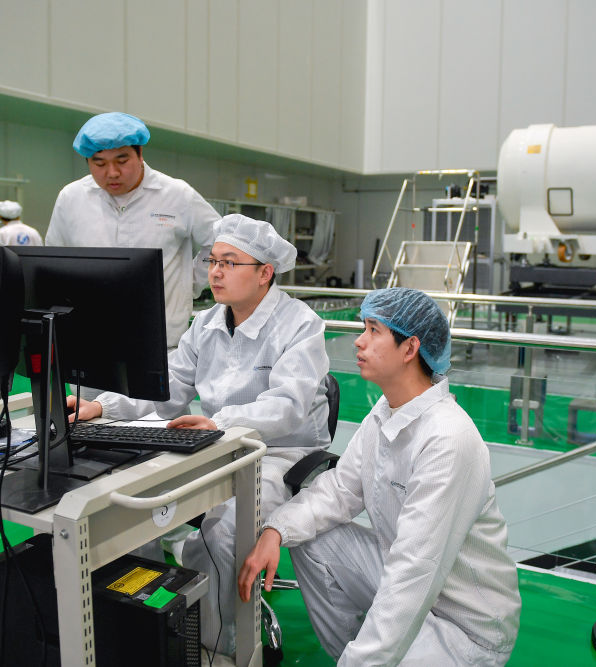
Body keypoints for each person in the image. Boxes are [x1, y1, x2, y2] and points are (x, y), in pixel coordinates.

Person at [68, 214, 332, 656]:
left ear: (265, 272)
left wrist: (221, 421)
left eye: (229, 262)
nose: (215, 272)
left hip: (278, 453)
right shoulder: (206, 323)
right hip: (214, 444)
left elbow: (288, 407)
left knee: (223, 533)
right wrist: (104, 407)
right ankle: (154, 624)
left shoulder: (299, 325)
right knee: (128, 505)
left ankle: (220, 647)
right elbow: (167, 389)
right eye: (212, 261)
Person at [238, 287, 522, 666]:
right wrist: (276, 530)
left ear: (410, 348)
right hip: (407, 580)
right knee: (309, 535)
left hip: (463, 624)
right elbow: (340, 490)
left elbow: (414, 570)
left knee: (389, 625)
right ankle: (352, 654)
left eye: (374, 331)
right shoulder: (386, 413)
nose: (359, 341)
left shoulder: (448, 439)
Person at [45, 111, 220, 348]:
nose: (112, 173)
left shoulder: (177, 195)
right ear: (88, 162)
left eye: (122, 161)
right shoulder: (71, 198)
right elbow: (54, 260)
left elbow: (221, 241)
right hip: (90, 340)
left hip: (162, 342)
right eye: (99, 163)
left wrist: (190, 284)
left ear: (139, 155)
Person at [0, 200, 42, 281]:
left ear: (0, 217)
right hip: (32, 281)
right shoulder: (33, 232)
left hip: (7, 282)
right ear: (18, 216)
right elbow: (41, 259)